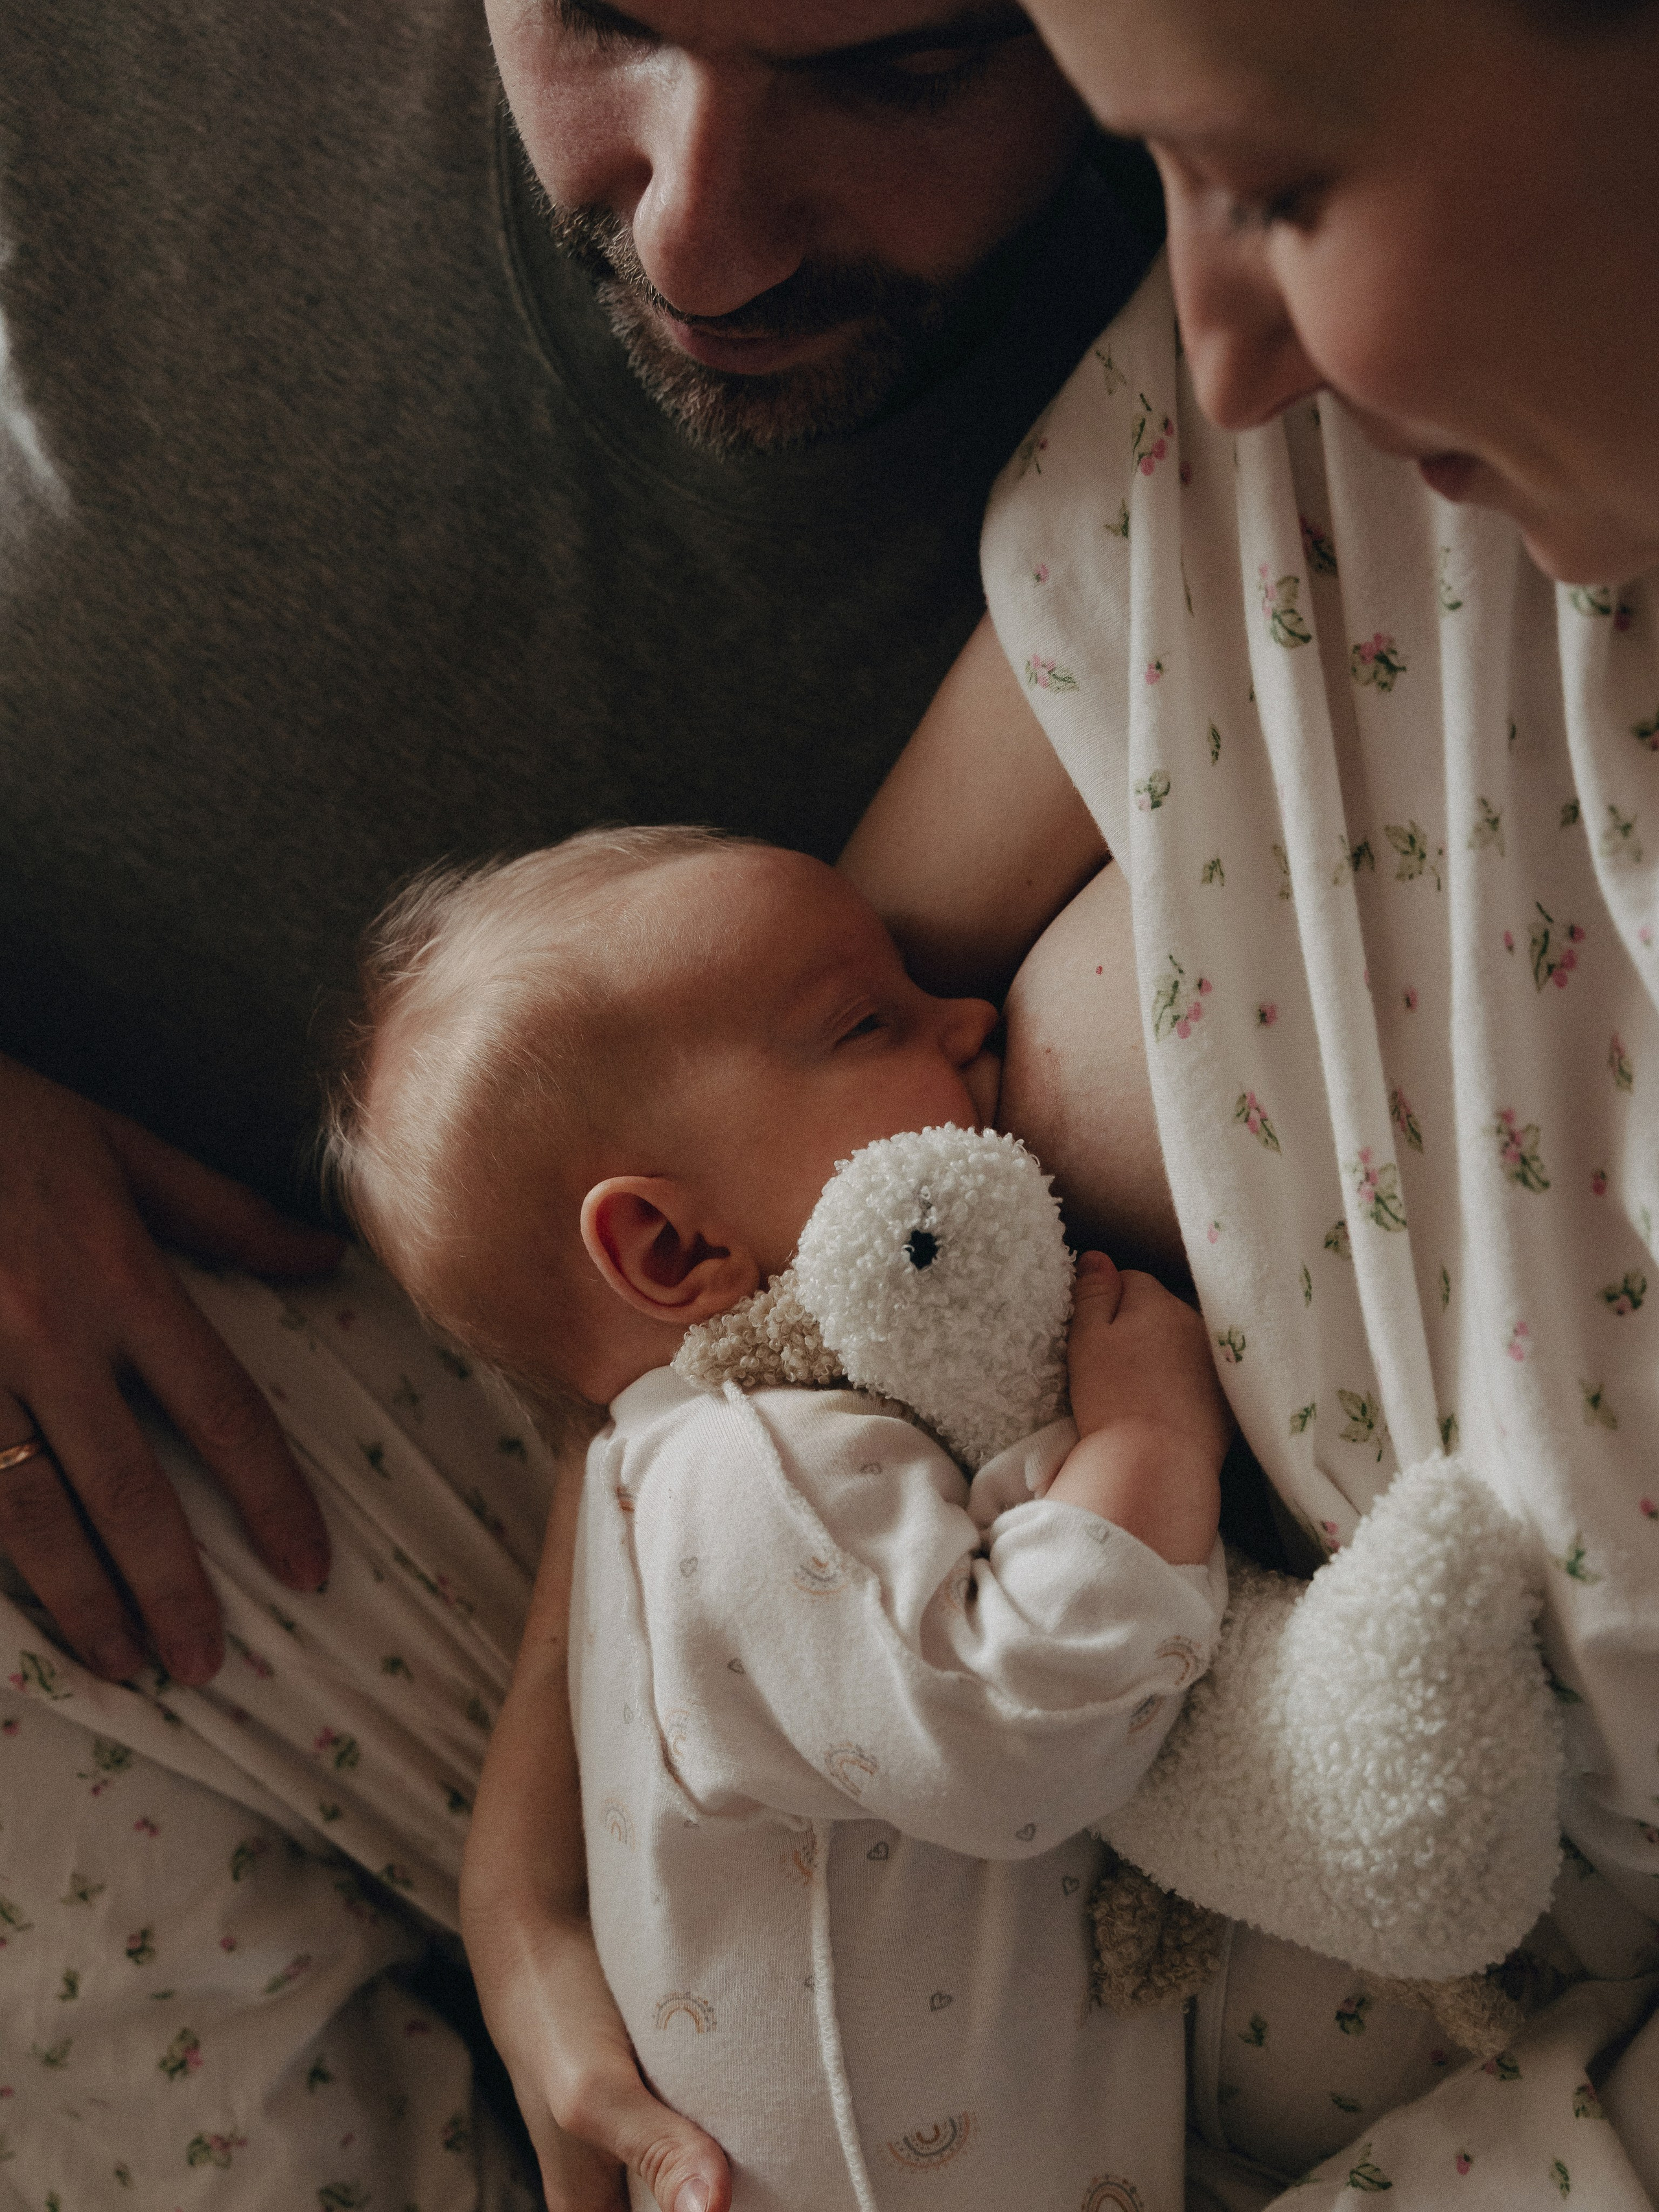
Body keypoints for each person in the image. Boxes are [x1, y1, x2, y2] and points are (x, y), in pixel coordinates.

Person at [482, 1, 1659, 2206]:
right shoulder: (1234, 465)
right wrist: (526, 1883)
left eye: (1272, 184)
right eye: (1163, 172)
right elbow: (718, 1223)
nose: (1213, 341)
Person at [0, 3, 1162, 2203]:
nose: (703, 239)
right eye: (605, 21)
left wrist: (522, 1895)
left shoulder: (1246, 296)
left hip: (595, 1564)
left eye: (898, 67)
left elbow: (683, 1361)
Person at [327, 826, 1229, 2211]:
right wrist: (1144, 1437)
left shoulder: (683, 1483)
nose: (971, 1015)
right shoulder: (740, 1470)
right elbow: (1021, 1718)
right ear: (675, 1250)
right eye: (871, 1021)